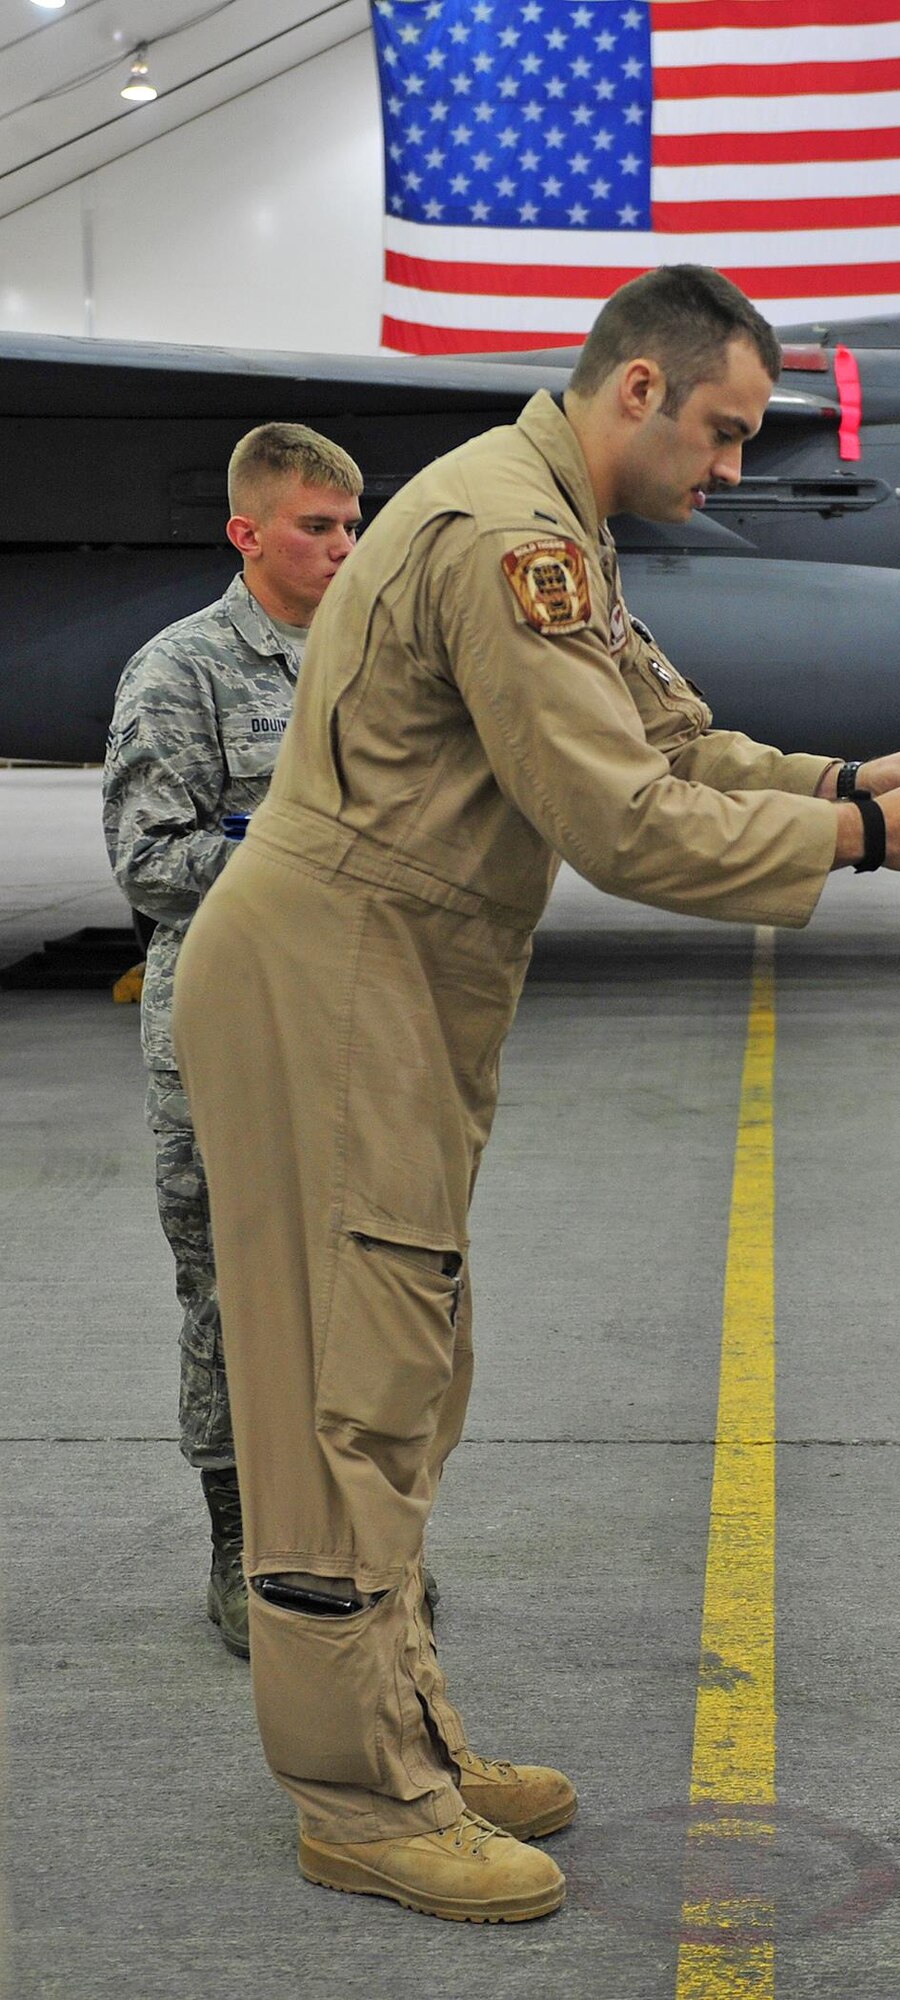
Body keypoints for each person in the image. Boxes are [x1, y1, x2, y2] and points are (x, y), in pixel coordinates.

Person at [172, 265, 900, 1925]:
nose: (734, 468)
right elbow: (619, 820)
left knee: (405, 1368)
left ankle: (401, 1738)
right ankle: (361, 1802)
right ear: (634, 392)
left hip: (386, 975)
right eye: (724, 430)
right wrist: (855, 841)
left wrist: (838, 778)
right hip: (333, 975)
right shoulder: (502, 535)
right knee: (348, 1387)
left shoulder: (548, 524)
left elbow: (667, 743)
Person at [102, 424, 364, 1658]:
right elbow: (151, 864)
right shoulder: (181, 670)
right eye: (317, 527)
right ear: (247, 534)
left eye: (351, 525)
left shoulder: (370, 659)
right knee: (228, 1291)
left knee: (362, 1285)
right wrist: (302, 847)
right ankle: (236, 1542)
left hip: (359, 1028)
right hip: (223, 1034)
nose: (342, 547)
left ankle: (356, 1543)